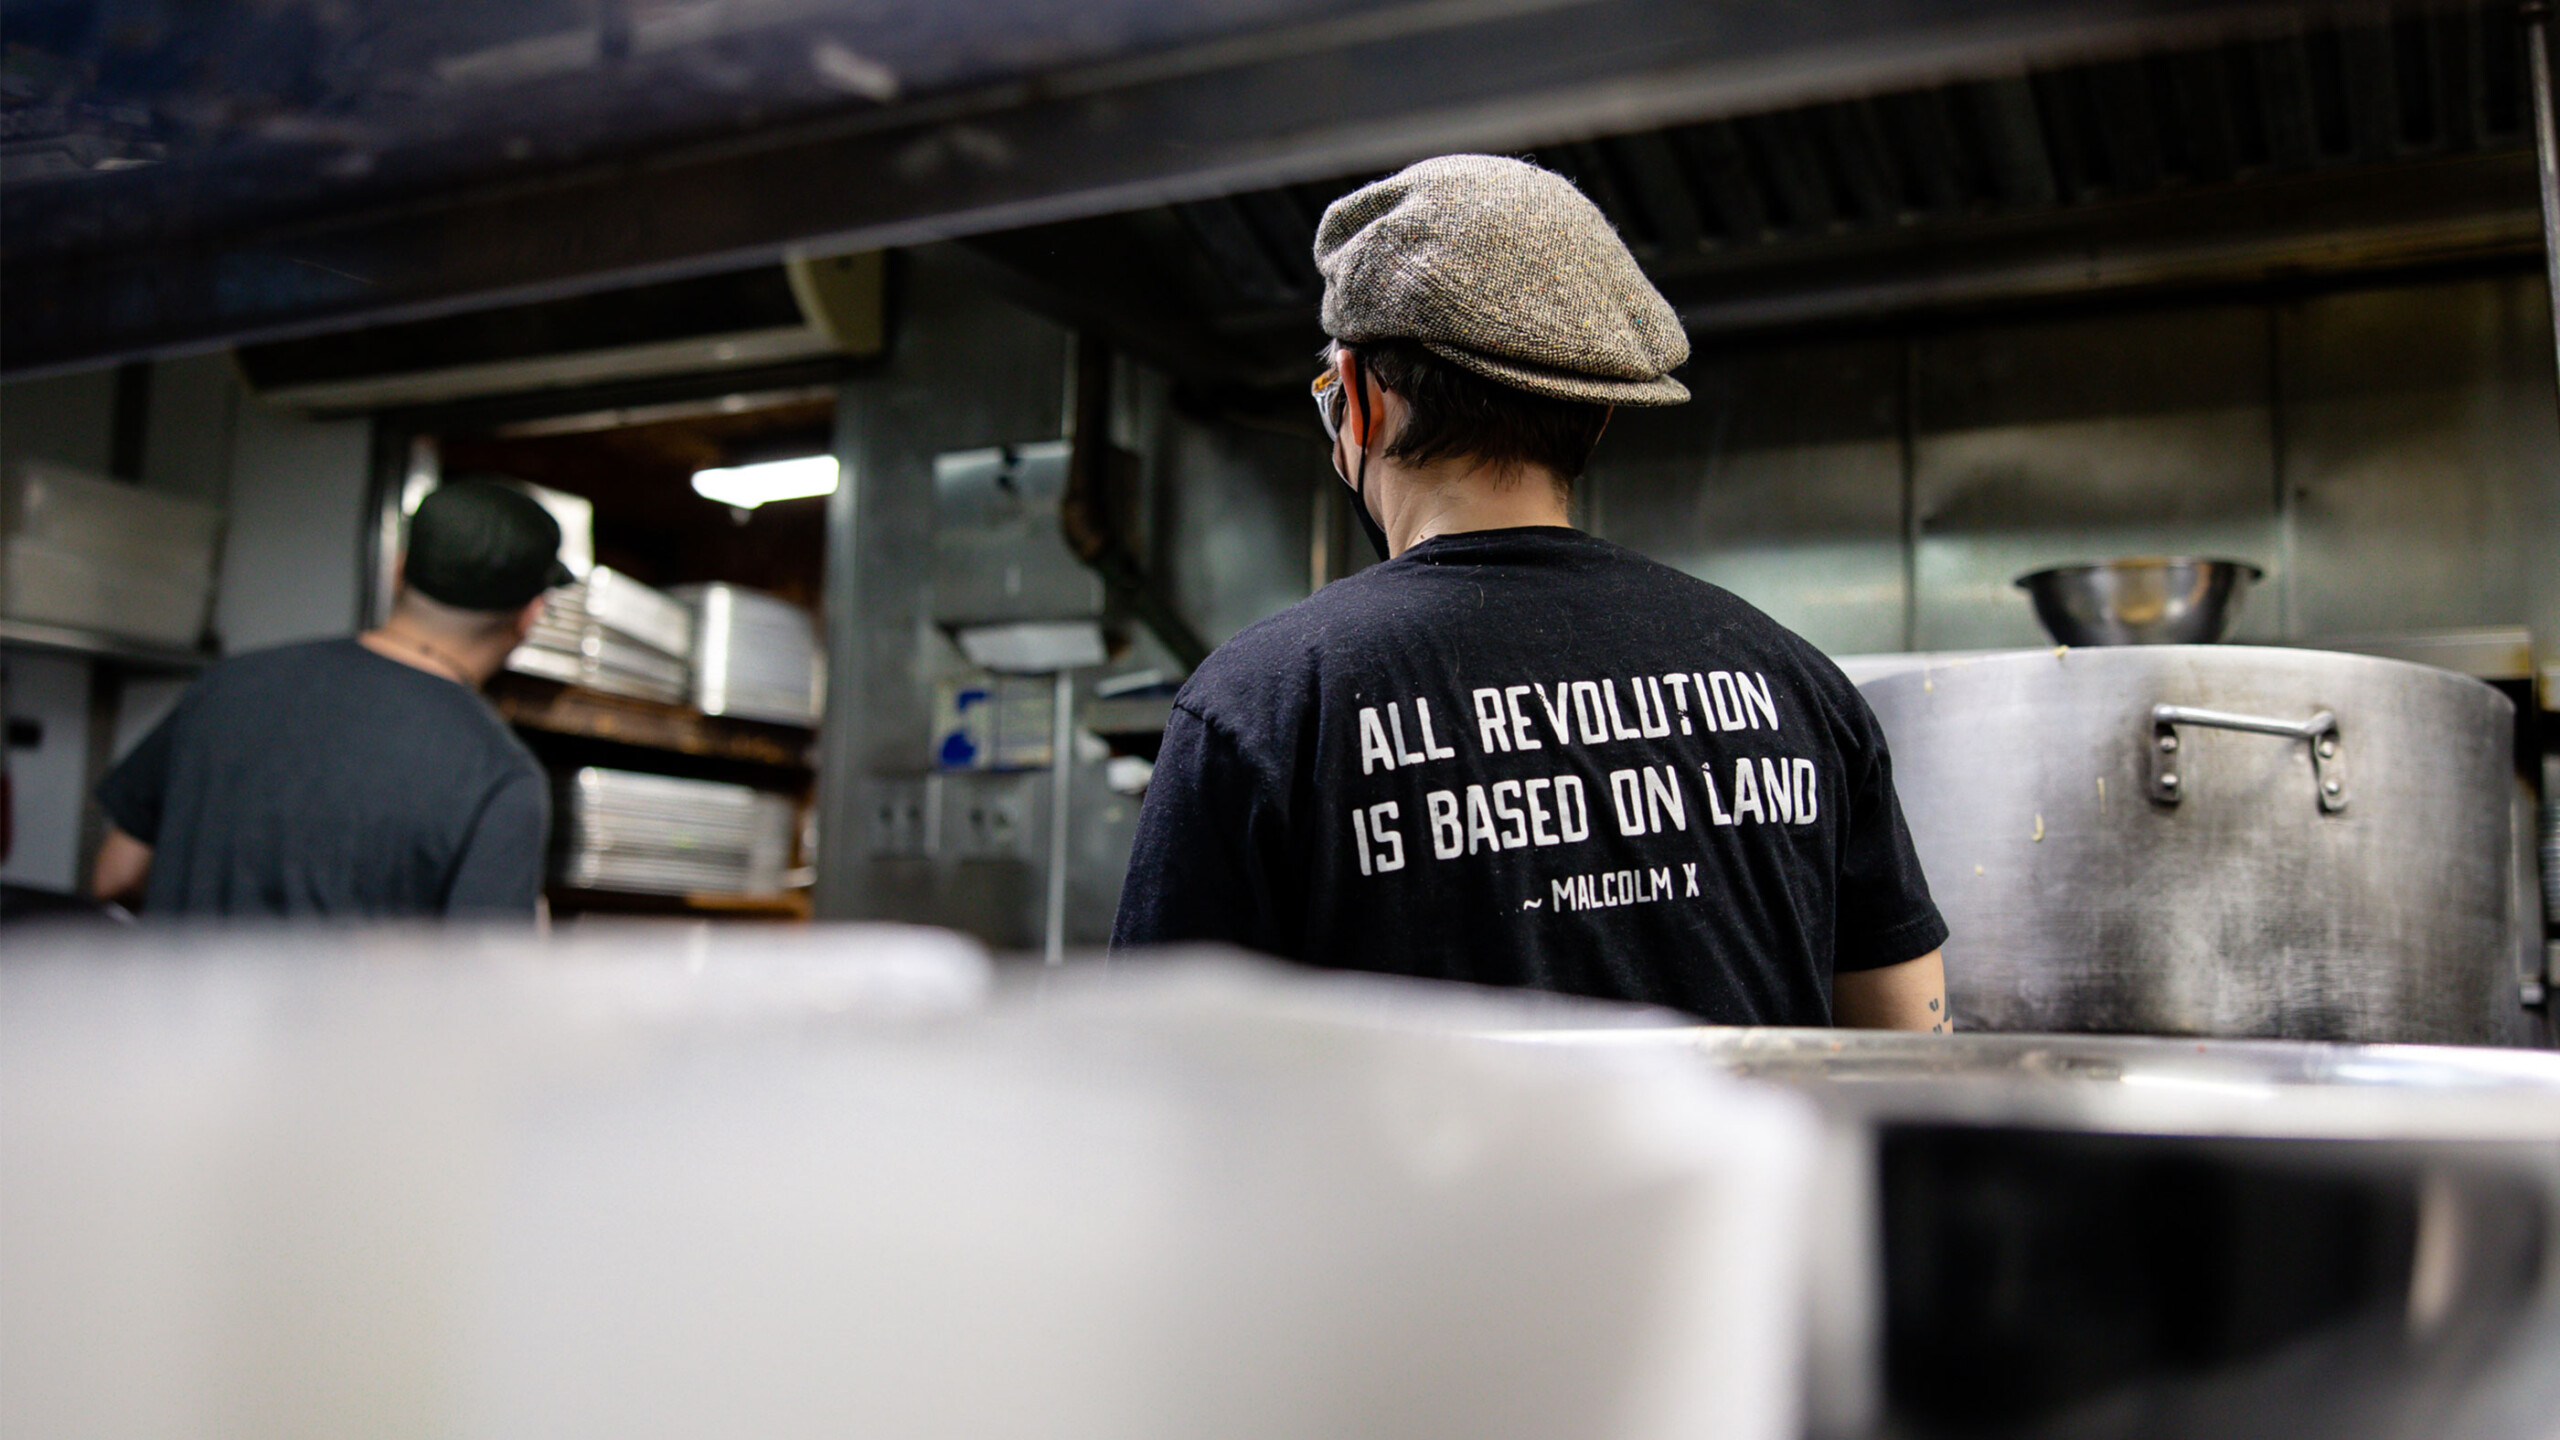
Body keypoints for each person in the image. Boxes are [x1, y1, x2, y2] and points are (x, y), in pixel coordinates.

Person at [1112, 155, 1950, 1030]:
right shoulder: (1801, 686)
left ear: (1359, 402)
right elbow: (1912, 1050)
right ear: (1597, 413)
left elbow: (1156, 1089)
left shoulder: (1259, 706)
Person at [91, 479, 570, 918]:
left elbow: (116, 875)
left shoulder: (228, 685)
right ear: (530, 615)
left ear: (399, 571)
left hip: (167, 1012)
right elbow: (484, 989)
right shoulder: (497, 775)